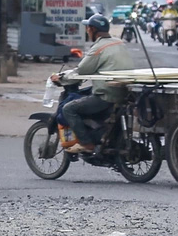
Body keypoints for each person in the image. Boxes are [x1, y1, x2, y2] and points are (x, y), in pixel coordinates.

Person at [56, 12, 136, 147]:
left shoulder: (99, 47)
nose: (87, 31)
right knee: (85, 94)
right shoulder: (119, 42)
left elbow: (81, 71)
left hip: (107, 96)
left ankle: (86, 144)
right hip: (125, 93)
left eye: (88, 28)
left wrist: (61, 78)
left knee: (68, 109)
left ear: (92, 30)